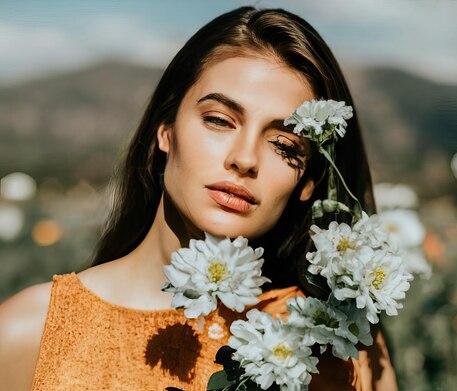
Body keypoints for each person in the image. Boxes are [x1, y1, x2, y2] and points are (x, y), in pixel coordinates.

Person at [0, 6, 398, 390]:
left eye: (285, 145)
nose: (244, 159)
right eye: (219, 121)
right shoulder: (31, 331)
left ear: (308, 182)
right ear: (165, 130)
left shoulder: (334, 347)